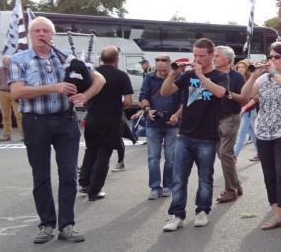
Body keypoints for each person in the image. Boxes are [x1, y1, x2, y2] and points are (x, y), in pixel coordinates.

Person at [10, 16, 105, 244]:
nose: (42, 35)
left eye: (46, 31)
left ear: (52, 35)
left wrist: (86, 95)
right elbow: (17, 92)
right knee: (41, 176)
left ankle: (67, 225)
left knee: (68, 175)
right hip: (35, 121)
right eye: (37, 31)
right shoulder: (19, 59)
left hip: (65, 121)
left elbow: (99, 78)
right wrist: (55, 87)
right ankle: (46, 225)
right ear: (31, 35)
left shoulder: (66, 57)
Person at [159, 38, 229, 232]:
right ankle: (177, 215)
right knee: (178, 177)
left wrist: (201, 75)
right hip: (185, 134)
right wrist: (173, 74)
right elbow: (165, 92)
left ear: (210, 54)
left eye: (201, 55)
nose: (196, 58)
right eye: (194, 54)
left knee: (205, 177)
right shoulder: (187, 76)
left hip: (207, 136)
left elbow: (220, 93)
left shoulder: (219, 75)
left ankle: (202, 211)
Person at [242, 41, 281, 238]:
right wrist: (253, 75)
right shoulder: (264, 78)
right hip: (263, 133)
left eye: (277, 57)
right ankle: (277, 215)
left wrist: (275, 73)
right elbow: (245, 96)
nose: (272, 60)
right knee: (269, 176)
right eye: (271, 57)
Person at [78, 46, 133, 201]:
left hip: (92, 116)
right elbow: (128, 101)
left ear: (101, 59)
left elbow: (83, 96)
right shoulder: (121, 76)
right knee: (104, 152)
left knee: (91, 150)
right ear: (116, 59)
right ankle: (94, 190)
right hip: (111, 118)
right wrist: (118, 106)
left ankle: (84, 183)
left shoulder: (91, 73)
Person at [138, 55, 181, 200]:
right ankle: (155, 187)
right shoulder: (149, 78)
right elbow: (143, 96)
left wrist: (177, 115)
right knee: (153, 158)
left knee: (171, 158)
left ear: (169, 65)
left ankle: (168, 186)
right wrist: (148, 109)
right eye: (159, 70)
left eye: (164, 70)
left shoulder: (177, 77)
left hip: (173, 123)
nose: (162, 73)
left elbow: (184, 100)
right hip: (153, 123)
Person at [213, 46, 247, 204]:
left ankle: (230, 190)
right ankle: (236, 185)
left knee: (225, 153)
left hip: (230, 118)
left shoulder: (237, 77)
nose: (214, 58)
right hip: (214, 119)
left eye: (217, 56)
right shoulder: (212, 75)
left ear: (227, 59)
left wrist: (228, 94)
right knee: (223, 154)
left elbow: (244, 98)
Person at [0, 55, 24, 141]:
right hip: (3, 93)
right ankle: (6, 135)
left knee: (18, 114)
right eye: (4, 62)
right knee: (5, 116)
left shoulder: (16, 69)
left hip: (14, 93)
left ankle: (23, 135)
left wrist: (21, 93)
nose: (6, 64)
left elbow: (22, 81)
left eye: (7, 62)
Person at [232, 59, 258, 161]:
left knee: (241, 134)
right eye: (239, 67)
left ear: (247, 69)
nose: (240, 69)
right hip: (239, 110)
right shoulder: (236, 78)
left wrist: (245, 107)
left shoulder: (251, 80)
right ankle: (260, 152)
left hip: (249, 110)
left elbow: (255, 97)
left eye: (243, 67)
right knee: (252, 132)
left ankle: (234, 156)